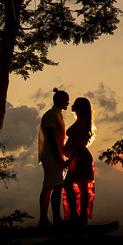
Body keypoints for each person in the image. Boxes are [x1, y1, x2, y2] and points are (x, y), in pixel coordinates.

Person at [38, 88, 69, 228]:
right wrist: (58, 157)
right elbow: (50, 137)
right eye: (65, 99)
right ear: (58, 99)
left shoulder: (58, 115)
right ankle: (56, 219)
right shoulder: (50, 115)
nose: (67, 102)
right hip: (51, 155)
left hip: (54, 154)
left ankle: (44, 219)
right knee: (57, 185)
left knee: (48, 185)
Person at [62, 96, 95, 226]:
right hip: (79, 156)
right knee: (81, 186)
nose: (72, 105)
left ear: (80, 106)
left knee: (72, 184)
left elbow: (77, 144)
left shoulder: (82, 122)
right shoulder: (81, 121)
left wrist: (69, 161)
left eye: (75, 103)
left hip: (80, 156)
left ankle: (77, 216)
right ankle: (78, 217)